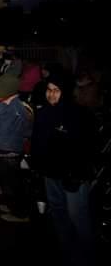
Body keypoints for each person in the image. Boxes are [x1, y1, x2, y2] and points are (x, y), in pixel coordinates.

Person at [31, 73, 96, 266]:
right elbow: (38, 144)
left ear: (65, 92)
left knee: (78, 216)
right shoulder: (44, 113)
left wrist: (78, 174)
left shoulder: (79, 115)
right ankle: (67, 251)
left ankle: (88, 256)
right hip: (51, 175)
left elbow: (87, 148)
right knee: (58, 214)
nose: (51, 95)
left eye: (56, 91)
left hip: (72, 176)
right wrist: (38, 167)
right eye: (49, 90)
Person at [0, 72, 33, 222]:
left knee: (11, 184)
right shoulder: (15, 104)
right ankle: (13, 205)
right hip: (10, 150)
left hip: (6, 151)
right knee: (11, 182)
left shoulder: (10, 109)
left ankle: (20, 213)